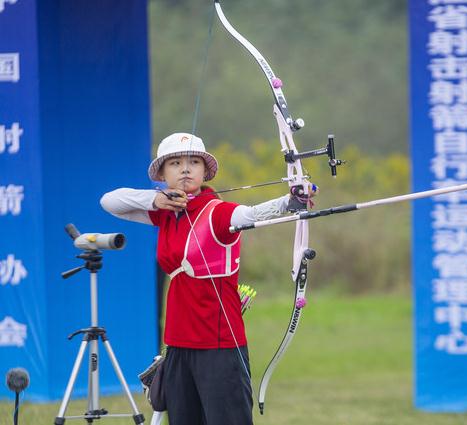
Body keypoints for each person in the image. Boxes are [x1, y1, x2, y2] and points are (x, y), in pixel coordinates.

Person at [100, 132, 315, 425]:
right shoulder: (164, 213)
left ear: (205, 171)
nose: (185, 169)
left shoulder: (217, 213)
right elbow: (109, 201)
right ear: (162, 174)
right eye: (175, 163)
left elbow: (250, 213)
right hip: (177, 344)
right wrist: (156, 199)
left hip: (219, 347)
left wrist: (290, 201)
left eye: (193, 162)